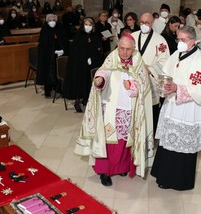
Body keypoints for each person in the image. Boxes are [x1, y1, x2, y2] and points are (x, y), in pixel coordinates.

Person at [74, 34, 154, 186]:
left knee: (124, 141)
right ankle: (104, 171)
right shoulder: (112, 57)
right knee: (108, 140)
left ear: (133, 49)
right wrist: (100, 80)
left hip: (129, 107)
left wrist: (132, 86)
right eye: (121, 48)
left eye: (128, 49)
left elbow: (144, 85)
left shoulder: (138, 61)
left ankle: (120, 167)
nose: (124, 52)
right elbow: (104, 71)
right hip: (110, 105)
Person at [151, 26, 201, 191]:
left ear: (192, 41)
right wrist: (165, 84)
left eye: (183, 40)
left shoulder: (198, 60)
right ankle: (164, 175)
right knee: (168, 141)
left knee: (182, 144)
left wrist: (177, 88)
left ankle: (179, 180)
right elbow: (166, 71)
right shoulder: (177, 54)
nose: (179, 42)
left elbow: (198, 89)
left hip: (188, 109)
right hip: (172, 104)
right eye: (178, 39)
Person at [131, 13, 170, 136]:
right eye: (142, 22)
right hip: (133, 79)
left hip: (150, 81)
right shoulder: (132, 37)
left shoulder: (160, 40)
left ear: (152, 23)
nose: (144, 25)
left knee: (150, 110)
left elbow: (165, 62)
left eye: (147, 23)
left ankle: (149, 136)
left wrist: (151, 69)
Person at [63, 17, 103, 112]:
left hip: (91, 64)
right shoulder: (79, 35)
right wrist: (84, 58)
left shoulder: (95, 35)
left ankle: (86, 100)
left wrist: (92, 58)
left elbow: (98, 49)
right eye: (86, 25)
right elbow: (75, 51)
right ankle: (77, 101)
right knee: (80, 82)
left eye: (90, 25)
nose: (88, 27)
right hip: (79, 65)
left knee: (89, 82)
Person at [36, 14, 69, 97]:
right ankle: (47, 88)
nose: (52, 22)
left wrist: (62, 50)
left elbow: (65, 41)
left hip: (59, 55)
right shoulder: (44, 30)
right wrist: (52, 50)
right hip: (47, 56)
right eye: (50, 20)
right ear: (47, 21)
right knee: (48, 71)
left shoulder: (60, 28)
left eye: (53, 20)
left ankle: (57, 87)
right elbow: (43, 44)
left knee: (58, 70)